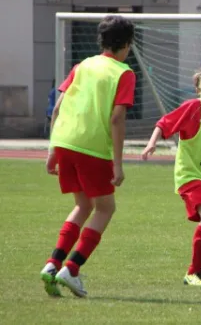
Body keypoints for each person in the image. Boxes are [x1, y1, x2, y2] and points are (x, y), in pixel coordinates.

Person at [40, 15, 136, 297]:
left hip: (65, 141)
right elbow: (117, 118)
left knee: (84, 205)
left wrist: (52, 149)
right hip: (92, 147)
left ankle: (51, 264)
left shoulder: (82, 65)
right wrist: (118, 164)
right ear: (127, 45)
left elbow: (57, 108)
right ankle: (71, 268)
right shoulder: (123, 72)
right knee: (106, 208)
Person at [142, 63, 201, 287]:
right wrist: (152, 142)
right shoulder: (195, 107)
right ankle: (193, 273)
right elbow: (165, 123)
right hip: (191, 175)